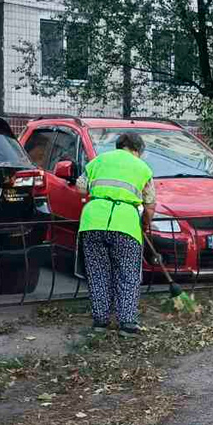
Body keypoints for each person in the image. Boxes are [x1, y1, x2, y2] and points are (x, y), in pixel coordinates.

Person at [78, 133, 157, 337]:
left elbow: (80, 187)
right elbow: (149, 204)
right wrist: (146, 222)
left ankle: (100, 322)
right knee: (128, 274)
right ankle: (127, 324)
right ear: (137, 150)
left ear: (119, 146)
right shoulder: (142, 168)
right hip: (125, 225)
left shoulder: (97, 161)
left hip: (92, 223)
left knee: (98, 274)